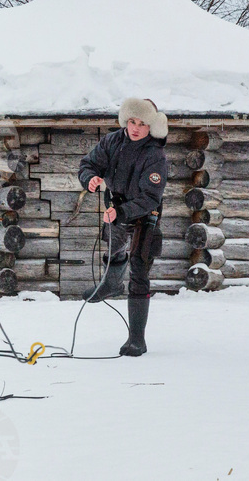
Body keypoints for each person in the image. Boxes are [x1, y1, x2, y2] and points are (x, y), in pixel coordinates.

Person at [77, 97, 168, 356]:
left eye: (142, 123)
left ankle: (136, 340)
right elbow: (88, 164)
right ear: (125, 121)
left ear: (151, 126)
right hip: (115, 208)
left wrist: (122, 211)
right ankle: (111, 284)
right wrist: (90, 179)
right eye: (131, 122)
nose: (136, 128)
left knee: (139, 270)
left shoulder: (156, 155)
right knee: (114, 248)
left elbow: (151, 197)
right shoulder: (113, 141)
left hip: (144, 214)